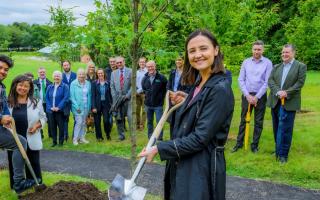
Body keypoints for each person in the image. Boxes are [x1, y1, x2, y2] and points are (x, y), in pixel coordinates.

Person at [139, 30, 234, 200]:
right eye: (192, 51)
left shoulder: (220, 89)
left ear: (216, 50)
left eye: (203, 48)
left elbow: (200, 138)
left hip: (201, 169)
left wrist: (159, 148)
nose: (198, 55)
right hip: (185, 162)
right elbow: (199, 109)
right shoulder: (200, 82)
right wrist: (187, 100)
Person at [0, 55, 36, 193]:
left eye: (6, 69)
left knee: (20, 141)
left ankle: (19, 182)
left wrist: (6, 116)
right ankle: (19, 182)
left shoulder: (1, 87)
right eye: (1, 68)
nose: (3, 71)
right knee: (19, 142)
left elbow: (3, 106)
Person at [267, 44, 307, 163]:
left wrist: (286, 93)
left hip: (289, 102)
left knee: (286, 129)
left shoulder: (300, 66)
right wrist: (278, 92)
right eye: (283, 52)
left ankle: (283, 155)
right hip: (276, 101)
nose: (284, 54)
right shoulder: (277, 66)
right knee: (276, 127)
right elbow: (271, 80)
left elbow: (300, 83)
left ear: (293, 53)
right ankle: (277, 149)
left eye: (287, 52)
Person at [232, 40, 272, 153]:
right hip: (247, 95)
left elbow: (267, 82)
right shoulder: (246, 62)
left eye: (259, 49)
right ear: (252, 50)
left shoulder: (268, 63)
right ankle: (239, 143)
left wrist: (257, 97)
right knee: (243, 120)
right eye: (255, 49)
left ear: (263, 50)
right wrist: (247, 95)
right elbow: (240, 79)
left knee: (258, 121)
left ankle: (254, 145)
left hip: (260, 96)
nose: (257, 51)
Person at [7, 75, 47, 186]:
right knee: (14, 163)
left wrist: (36, 126)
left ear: (30, 88)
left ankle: (35, 184)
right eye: (20, 85)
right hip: (13, 139)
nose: (23, 88)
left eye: (26, 86)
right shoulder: (8, 102)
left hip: (31, 138)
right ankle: (16, 185)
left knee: (34, 163)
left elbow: (43, 118)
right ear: (15, 86)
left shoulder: (36, 102)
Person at [141, 60, 167, 140]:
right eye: (148, 67)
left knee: (159, 122)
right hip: (148, 105)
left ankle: (159, 138)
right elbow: (144, 88)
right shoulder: (145, 78)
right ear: (146, 67)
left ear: (155, 66)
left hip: (158, 105)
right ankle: (150, 137)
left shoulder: (161, 78)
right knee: (149, 122)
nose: (150, 68)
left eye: (152, 66)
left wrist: (161, 97)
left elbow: (167, 88)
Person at [110, 56, 132, 141]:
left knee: (130, 117)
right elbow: (112, 87)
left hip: (128, 99)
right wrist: (115, 98)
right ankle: (121, 135)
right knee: (119, 118)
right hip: (117, 100)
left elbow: (133, 85)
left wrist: (127, 95)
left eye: (120, 62)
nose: (119, 64)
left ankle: (132, 136)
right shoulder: (113, 73)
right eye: (117, 63)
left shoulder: (130, 71)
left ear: (124, 62)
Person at [46, 71, 69, 147]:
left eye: (58, 76)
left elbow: (65, 98)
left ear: (61, 77)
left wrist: (58, 107)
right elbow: (47, 98)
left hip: (60, 111)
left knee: (61, 127)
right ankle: (54, 141)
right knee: (52, 127)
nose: (56, 77)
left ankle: (61, 142)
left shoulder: (65, 86)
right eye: (55, 76)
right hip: (51, 111)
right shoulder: (49, 87)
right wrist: (50, 107)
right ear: (53, 77)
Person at [70, 68, 91, 145]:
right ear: (77, 75)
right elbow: (72, 97)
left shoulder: (88, 83)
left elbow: (89, 95)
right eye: (80, 74)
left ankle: (82, 138)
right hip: (77, 107)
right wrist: (77, 107)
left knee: (84, 123)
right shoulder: (73, 83)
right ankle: (75, 139)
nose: (81, 76)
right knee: (78, 122)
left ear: (85, 75)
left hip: (86, 106)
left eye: (83, 74)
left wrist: (89, 107)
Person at [91, 68, 113, 141]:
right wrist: (93, 107)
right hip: (97, 105)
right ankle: (99, 137)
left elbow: (111, 95)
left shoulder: (108, 83)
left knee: (106, 121)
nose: (100, 74)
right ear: (97, 74)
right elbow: (93, 96)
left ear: (104, 74)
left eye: (101, 73)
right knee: (97, 122)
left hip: (106, 105)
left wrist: (112, 104)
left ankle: (108, 134)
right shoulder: (94, 83)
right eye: (99, 73)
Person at [33, 67, 52, 138]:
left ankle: (51, 135)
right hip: (38, 104)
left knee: (49, 119)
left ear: (45, 73)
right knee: (37, 119)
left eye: (43, 72)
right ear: (38, 73)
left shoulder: (50, 83)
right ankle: (40, 135)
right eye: (40, 72)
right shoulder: (34, 82)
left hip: (47, 104)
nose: (42, 73)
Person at [61, 60, 77, 141]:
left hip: (74, 99)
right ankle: (65, 135)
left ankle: (75, 134)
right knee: (65, 118)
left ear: (70, 65)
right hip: (65, 100)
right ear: (63, 66)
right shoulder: (60, 76)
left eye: (67, 65)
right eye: (64, 65)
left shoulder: (75, 75)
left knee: (76, 117)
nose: (66, 66)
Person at [136, 57, 147, 131]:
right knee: (137, 110)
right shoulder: (137, 72)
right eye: (140, 62)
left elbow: (146, 84)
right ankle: (137, 124)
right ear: (138, 63)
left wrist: (139, 90)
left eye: (143, 62)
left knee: (144, 110)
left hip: (144, 93)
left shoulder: (147, 72)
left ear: (145, 63)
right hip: (136, 94)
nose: (142, 63)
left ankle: (142, 125)